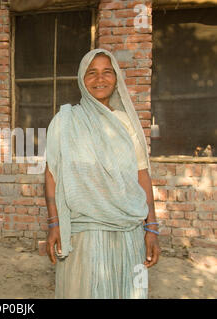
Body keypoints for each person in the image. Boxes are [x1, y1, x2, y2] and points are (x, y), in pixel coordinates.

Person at [45, 48, 161, 299]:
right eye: (92, 73)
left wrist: (151, 227)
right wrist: (54, 223)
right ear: (81, 79)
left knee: (129, 289)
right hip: (84, 231)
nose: (100, 79)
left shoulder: (126, 122)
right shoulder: (65, 122)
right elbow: (52, 174)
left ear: (116, 77)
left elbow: (142, 175)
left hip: (128, 230)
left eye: (107, 72)